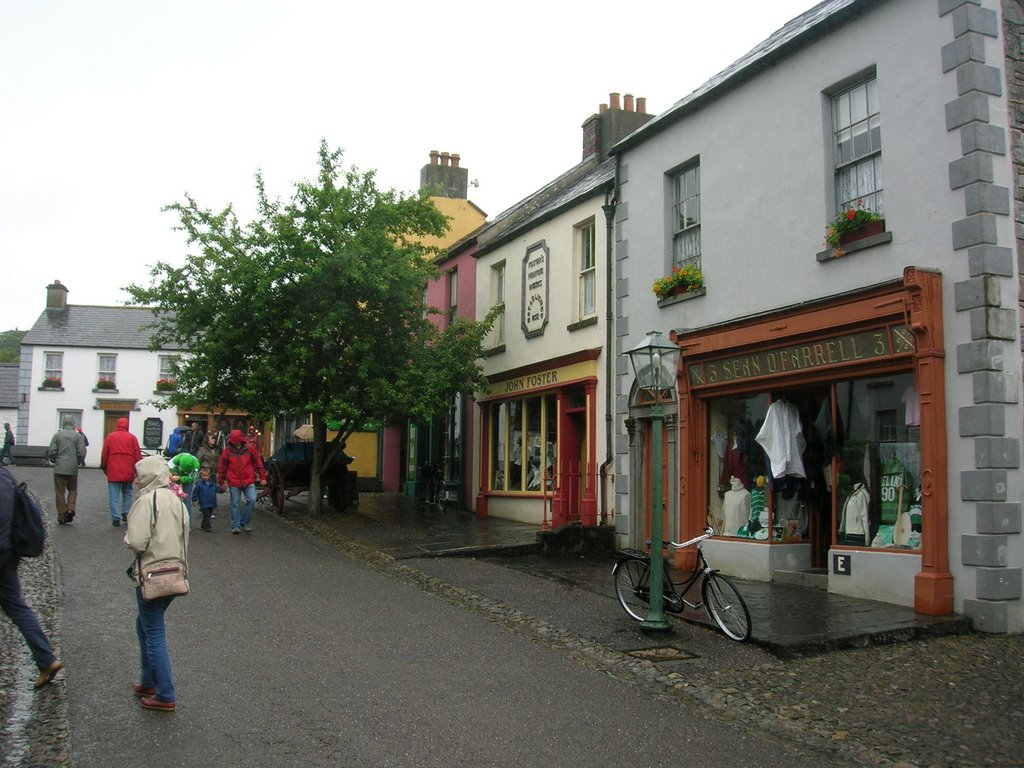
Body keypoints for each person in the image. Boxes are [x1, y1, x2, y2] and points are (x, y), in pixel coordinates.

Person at [124, 455, 188, 711]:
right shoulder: (176, 500)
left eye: (139, 475)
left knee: (153, 631)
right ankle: (148, 680)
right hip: (175, 573)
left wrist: (126, 538)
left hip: (152, 574)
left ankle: (164, 692)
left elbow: (137, 541)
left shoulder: (146, 501)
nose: (136, 480)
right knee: (145, 625)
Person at [0, 466, 63, 689]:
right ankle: (46, 660)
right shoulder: (6, 475)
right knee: (17, 607)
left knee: (16, 606)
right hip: (9, 550)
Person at [217, 429, 266, 535]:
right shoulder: (227, 450)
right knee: (235, 503)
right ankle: (235, 525)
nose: (235, 443)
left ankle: (244, 522)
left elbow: (258, 463)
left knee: (252, 500)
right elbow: (222, 466)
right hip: (234, 480)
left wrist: (263, 477)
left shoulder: (250, 448)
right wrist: (221, 481)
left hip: (248, 479)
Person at [100, 417, 143, 527]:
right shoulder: (132, 438)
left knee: (113, 495)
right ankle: (126, 513)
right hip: (128, 469)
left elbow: (105, 453)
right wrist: (138, 469)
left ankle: (115, 518)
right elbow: (137, 454)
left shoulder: (110, 437)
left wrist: (104, 466)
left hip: (113, 469)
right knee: (127, 492)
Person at [47, 420, 85, 525]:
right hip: (72, 468)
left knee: (60, 492)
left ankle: (61, 514)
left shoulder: (57, 435)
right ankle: (70, 508)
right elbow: (81, 452)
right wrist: (77, 461)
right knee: (73, 489)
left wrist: (55, 460)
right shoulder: (78, 436)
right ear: (73, 423)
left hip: (59, 467)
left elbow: (52, 451)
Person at [167, 452, 200, 530]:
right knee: (172, 499)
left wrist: (180, 478)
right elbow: (167, 471)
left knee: (187, 500)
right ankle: (172, 523)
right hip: (175, 475)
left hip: (186, 478)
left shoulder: (196, 465)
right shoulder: (173, 462)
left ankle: (188, 525)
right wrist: (171, 477)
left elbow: (191, 478)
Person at [192, 466, 220, 532]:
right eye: (203, 475)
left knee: (209, 514)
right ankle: (207, 527)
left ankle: (203, 525)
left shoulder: (213, 483)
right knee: (206, 514)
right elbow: (195, 492)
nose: (205, 477)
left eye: (207, 475)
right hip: (203, 502)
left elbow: (218, 489)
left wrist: (222, 488)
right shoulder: (199, 484)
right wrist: (194, 499)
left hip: (212, 501)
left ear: (209, 476)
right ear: (201, 475)